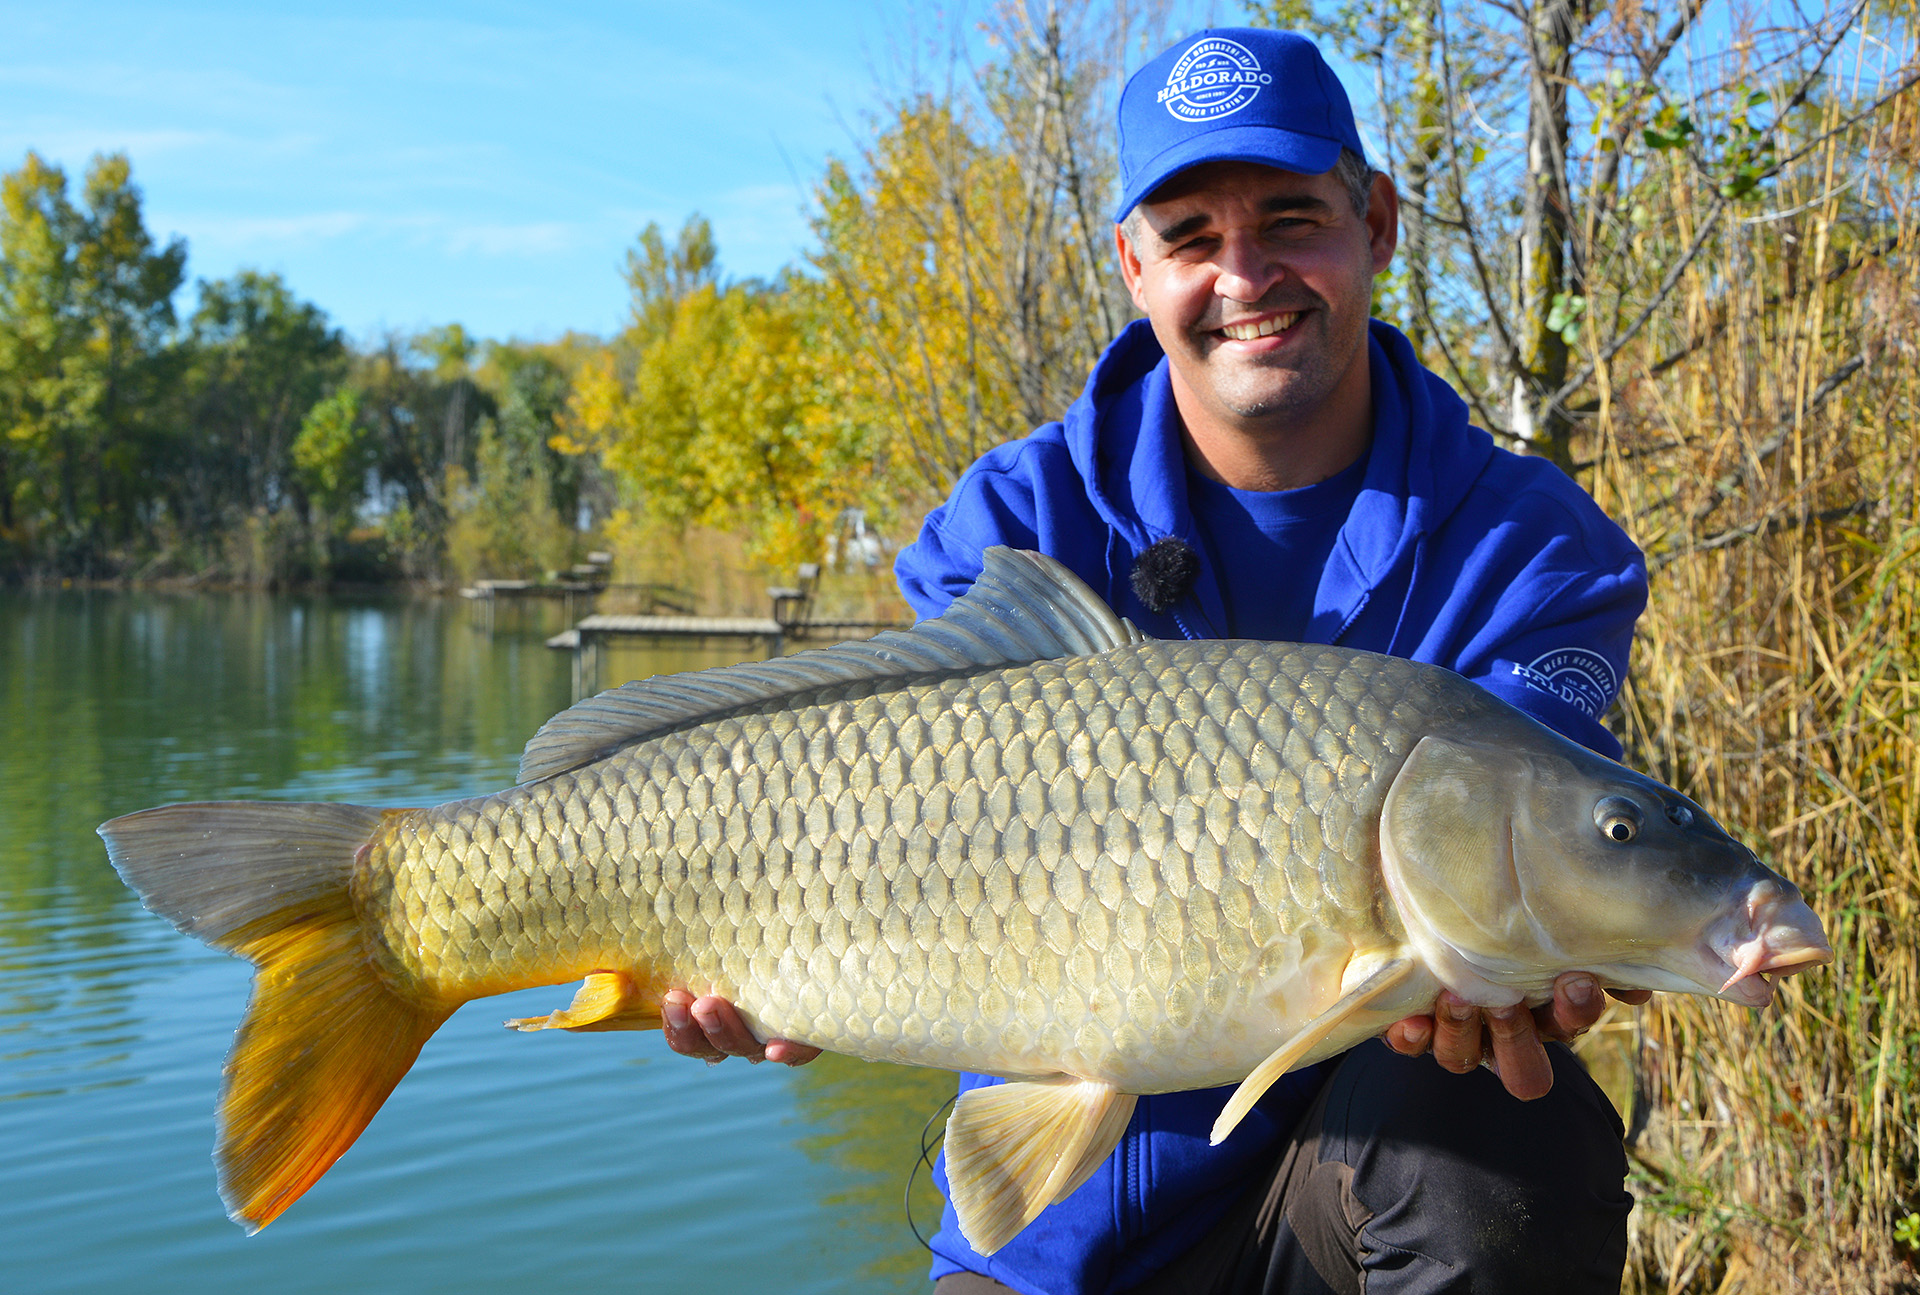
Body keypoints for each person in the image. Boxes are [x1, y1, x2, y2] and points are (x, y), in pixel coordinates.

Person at [662, 27, 1651, 1295]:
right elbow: (881, 834)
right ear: (1135, 263)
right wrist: (781, 967)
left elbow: (1539, 851)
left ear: (1379, 223)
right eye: (1190, 235)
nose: (1246, 275)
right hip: (1051, 1232)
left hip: (1351, 1213)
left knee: (1500, 1115)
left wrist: (1540, 961)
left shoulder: (1534, 549)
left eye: (1292, 218)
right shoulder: (1016, 522)